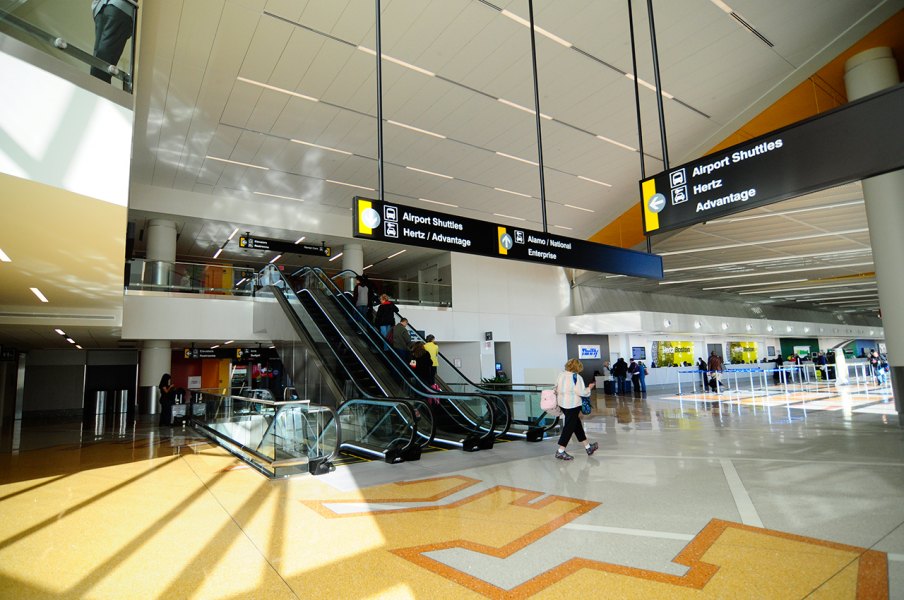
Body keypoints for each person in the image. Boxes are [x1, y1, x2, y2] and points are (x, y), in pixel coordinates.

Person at [554, 358, 598, 460]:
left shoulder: (561, 375)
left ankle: (588, 447)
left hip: (562, 404)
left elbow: (556, 388)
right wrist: (590, 388)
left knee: (576, 425)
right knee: (569, 427)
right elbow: (581, 392)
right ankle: (560, 451)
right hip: (572, 405)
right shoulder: (576, 377)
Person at [91, 0, 137, 83]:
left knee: (99, 59)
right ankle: (98, 92)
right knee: (103, 64)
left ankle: (94, 90)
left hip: (101, 8)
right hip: (120, 7)